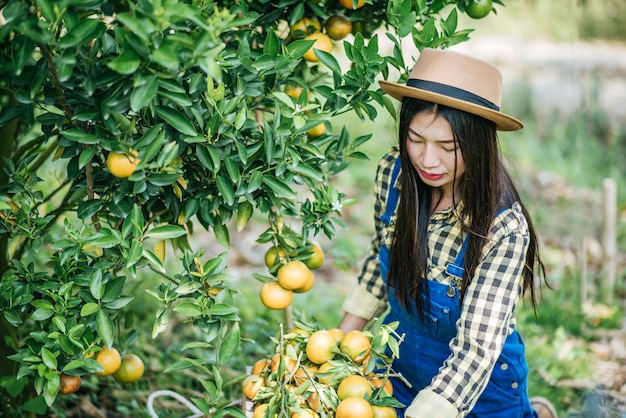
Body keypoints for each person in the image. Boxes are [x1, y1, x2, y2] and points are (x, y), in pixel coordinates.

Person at [338, 48, 557, 418]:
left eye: (448, 147)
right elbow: (382, 264)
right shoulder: (394, 176)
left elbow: (476, 350)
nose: (427, 160)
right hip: (401, 369)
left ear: (478, 145)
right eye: (416, 139)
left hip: (480, 384)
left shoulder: (502, 228)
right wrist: (336, 348)